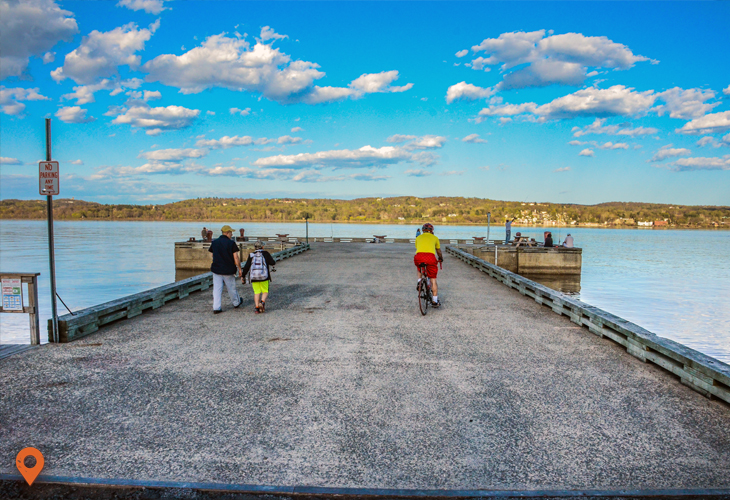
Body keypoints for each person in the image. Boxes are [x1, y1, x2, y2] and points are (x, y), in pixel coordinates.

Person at [208, 225, 242, 314]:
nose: (232, 234)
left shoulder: (215, 242)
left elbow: (212, 255)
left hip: (216, 269)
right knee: (231, 287)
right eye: (231, 232)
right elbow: (236, 257)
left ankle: (216, 307)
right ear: (227, 233)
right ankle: (236, 302)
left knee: (217, 289)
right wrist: (239, 268)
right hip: (228, 269)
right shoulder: (231, 243)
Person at [241, 240, 276, 314]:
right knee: (265, 291)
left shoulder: (251, 255)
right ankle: (262, 302)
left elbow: (247, 266)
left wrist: (243, 275)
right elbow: (272, 262)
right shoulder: (265, 253)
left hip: (254, 277)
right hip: (264, 276)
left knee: (256, 292)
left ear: (254, 247)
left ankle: (257, 308)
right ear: (262, 246)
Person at [414, 223, 443, 307]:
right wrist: (441, 258)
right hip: (430, 258)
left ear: (423, 230)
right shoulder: (435, 238)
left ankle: (419, 281)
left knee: (419, 266)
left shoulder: (418, 237)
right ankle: (434, 301)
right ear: (432, 231)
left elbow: (417, 247)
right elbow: (438, 251)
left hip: (419, 256)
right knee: (433, 279)